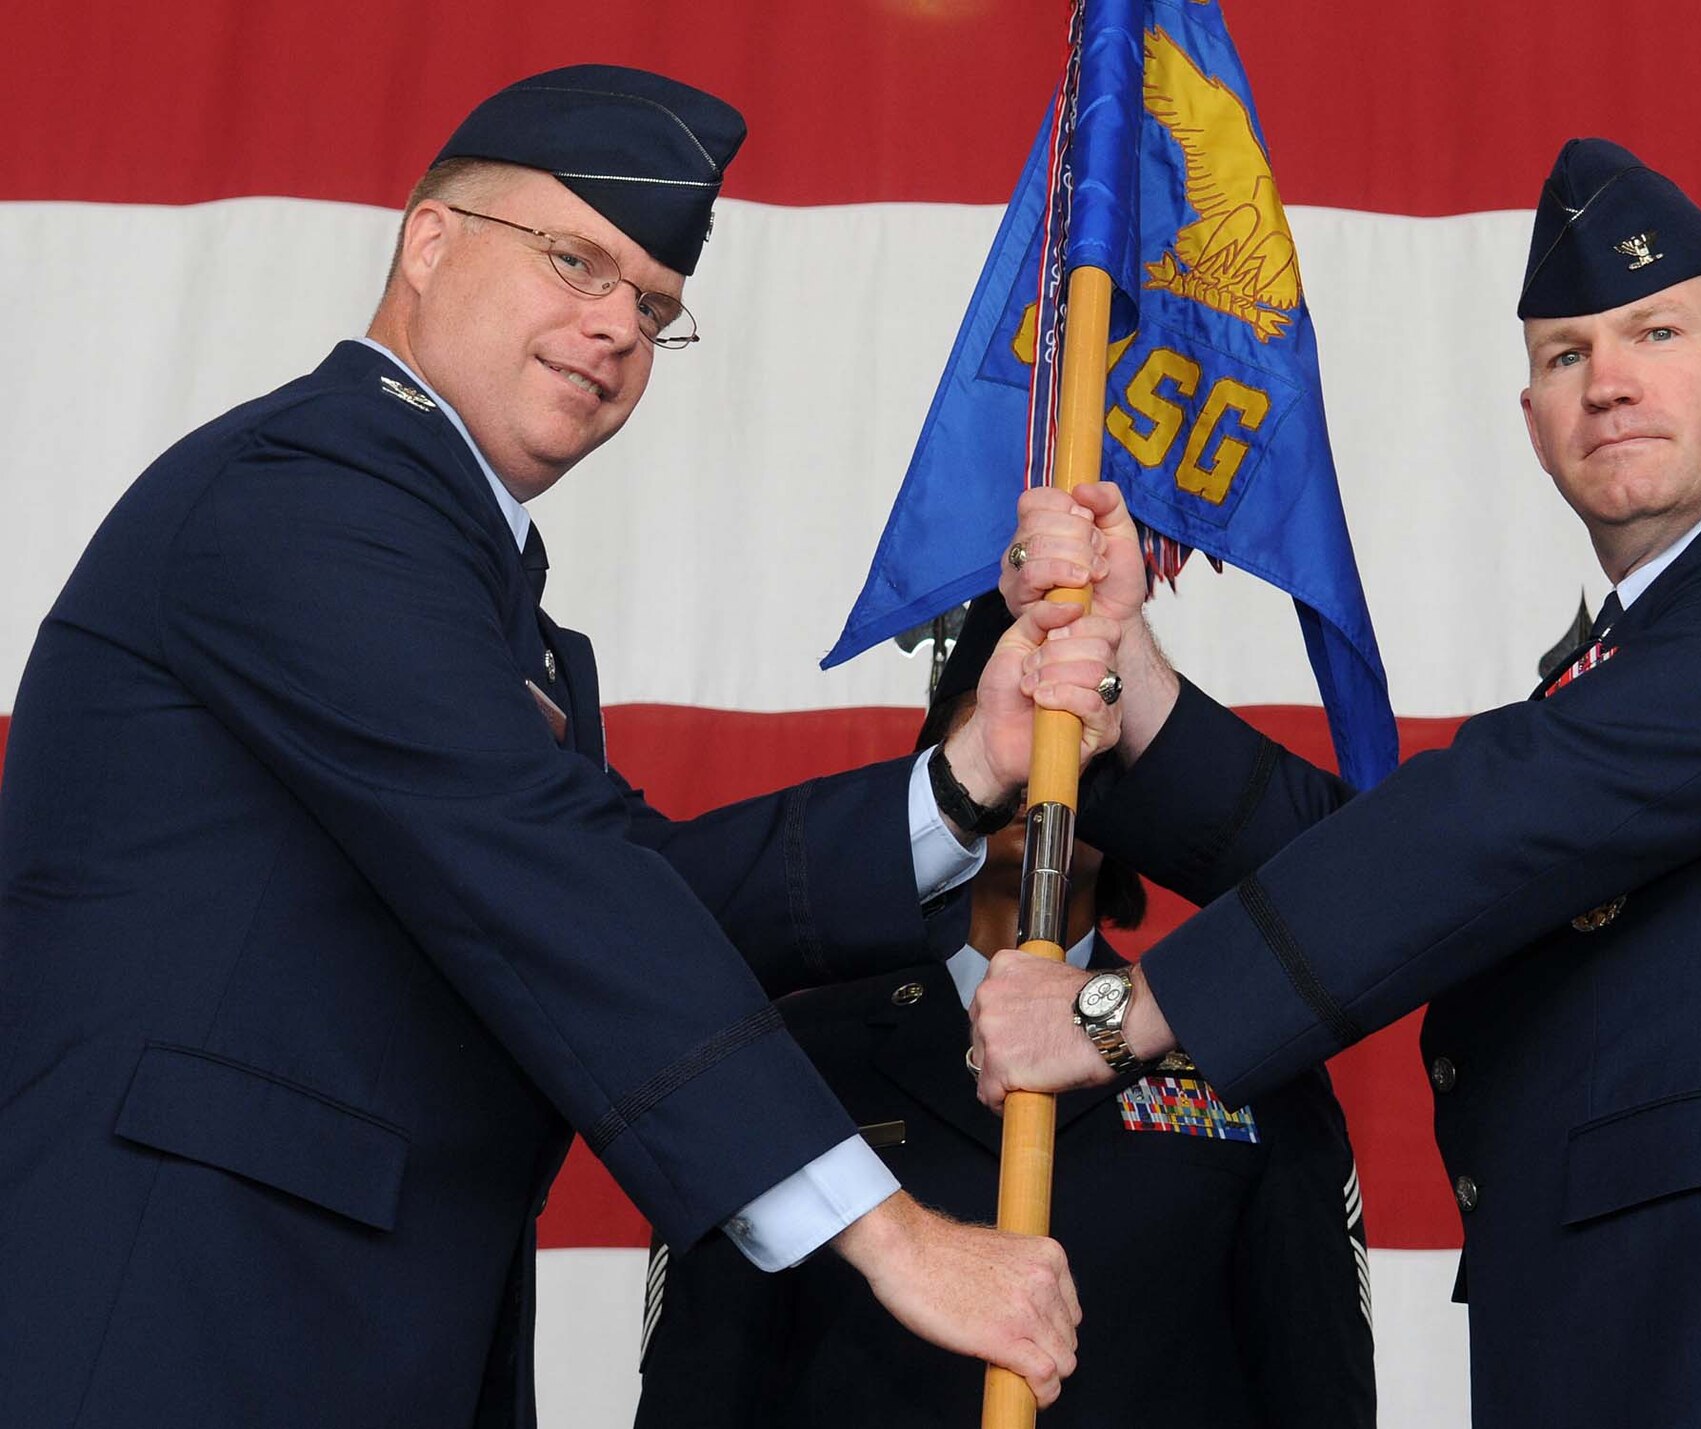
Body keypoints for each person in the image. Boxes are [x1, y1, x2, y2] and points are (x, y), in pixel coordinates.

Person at [0, 67, 1122, 1427]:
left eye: (652, 306)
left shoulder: (471, 585)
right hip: (184, 1327)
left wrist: (963, 777)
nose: (615, 330)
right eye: (575, 262)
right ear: (429, 240)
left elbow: (632, 890)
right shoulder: (305, 498)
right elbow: (553, 882)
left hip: (348, 1329)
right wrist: (889, 1231)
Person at [970, 137, 1701, 1426]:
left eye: (1657, 332)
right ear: (1531, 421)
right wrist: (1129, 673)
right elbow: (1419, 861)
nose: (1609, 382)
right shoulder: (1624, 666)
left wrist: (1121, 1012)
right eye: (1566, 356)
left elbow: (1490, 824)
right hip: (1609, 1345)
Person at [632, 592, 1377, 1428]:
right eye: (1017, 721)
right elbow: (698, 1387)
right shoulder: (790, 1052)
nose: (1044, 763)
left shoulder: (1244, 1054)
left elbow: (1319, 1390)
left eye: (1074, 730)